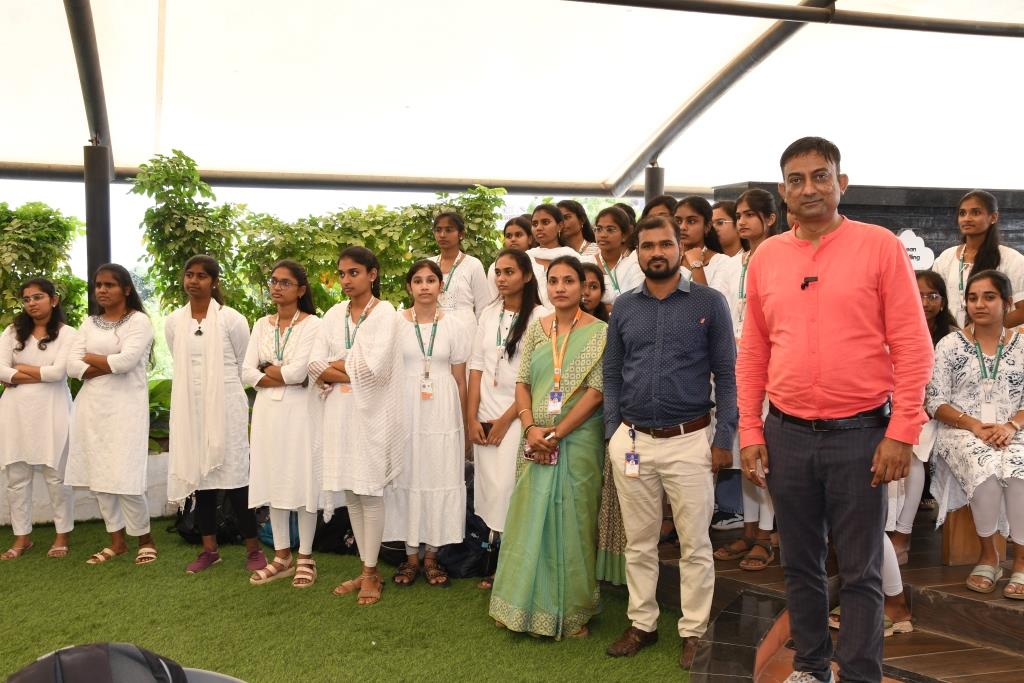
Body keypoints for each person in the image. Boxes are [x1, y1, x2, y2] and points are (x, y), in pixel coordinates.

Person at [737, 137, 933, 683]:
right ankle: (810, 668)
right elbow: (753, 352)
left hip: (862, 436)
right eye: (796, 180)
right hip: (786, 434)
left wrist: (902, 431)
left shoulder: (879, 247)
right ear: (783, 192)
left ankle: (860, 674)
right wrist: (750, 429)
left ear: (841, 183)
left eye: (820, 176)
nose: (809, 188)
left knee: (862, 570)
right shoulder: (767, 257)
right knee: (799, 564)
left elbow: (913, 346)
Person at [603, 215, 736, 669]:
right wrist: (612, 432)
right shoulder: (624, 306)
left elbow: (727, 375)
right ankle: (642, 623)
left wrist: (724, 438)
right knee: (639, 542)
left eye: (664, 244)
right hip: (633, 441)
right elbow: (612, 373)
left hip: (689, 440)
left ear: (680, 248)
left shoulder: (709, 302)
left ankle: (694, 631)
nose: (656, 253)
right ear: (637, 252)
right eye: (647, 246)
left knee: (695, 544)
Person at [489, 255, 607, 639]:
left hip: (578, 440)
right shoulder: (538, 329)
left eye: (569, 281)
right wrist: (529, 428)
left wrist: (557, 433)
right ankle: (518, 605)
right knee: (528, 519)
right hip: (534, 438)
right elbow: (522, 382)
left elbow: (596, 393)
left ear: (583, 288)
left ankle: (572, 613)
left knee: (573, 522)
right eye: (554, 280)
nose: (560, 288)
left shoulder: (601, 333)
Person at [309, 246, 404, 606]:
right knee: (351, 492)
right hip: (338, 412)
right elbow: (313, 364)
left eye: (354, 273)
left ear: (372, 274)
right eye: (342, 273)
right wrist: (345, 365)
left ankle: (370, 572)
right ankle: (368, 570)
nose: (346, 280)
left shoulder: (386, 313)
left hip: (372, 414)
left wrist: (337, 365)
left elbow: (375, 369)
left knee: (369, 490)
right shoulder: (334, 314)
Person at [164, 256, 266, 575]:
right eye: (189, 275)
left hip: (226, 406)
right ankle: (209, 551)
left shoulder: (231, 319)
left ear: (214, 282)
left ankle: (253, 549)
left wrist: (216, 395)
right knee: (202, 482)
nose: (193, 281)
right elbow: (179, 360)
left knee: (235, 479)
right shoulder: (174, 321)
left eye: (201, 276)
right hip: (190, 410)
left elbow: (242, 363)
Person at [927, 270, 1024, 600]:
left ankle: (1021, 562)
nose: (979, 304)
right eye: (972, 298)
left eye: (989, 297)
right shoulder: (950, 344)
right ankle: (989, 556)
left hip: (1015, 430)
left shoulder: (1022, 344)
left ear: (1007, 303)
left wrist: (1010, 426)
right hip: (961, 430)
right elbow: (934, 400)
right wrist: (972, 425)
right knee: (986, 469)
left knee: (1018, 470)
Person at [384, 260, 470, 588]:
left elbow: (460, 379)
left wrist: (465, 425)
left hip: (443, 413)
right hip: (405, 410)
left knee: (439, 474)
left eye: (430, 280)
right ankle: (410, 558)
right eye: (418, 280)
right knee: (407, 475)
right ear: (409, 287)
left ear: (440, 286)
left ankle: (432, 556)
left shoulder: (455, 325)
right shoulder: (394, 324)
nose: (424, 286)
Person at [66, 264, 157, 566]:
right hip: (91, 408)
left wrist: (90, 359)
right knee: (99, 477)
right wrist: (106, 362)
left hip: (126, 408)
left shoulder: (139, 321)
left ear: (126, 289)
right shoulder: (89, 323)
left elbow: (126, 362)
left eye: (109, 285)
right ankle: (116, 542)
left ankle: (145, 539)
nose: (102, 290)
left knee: (126, 476)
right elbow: (71, 366)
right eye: (98, 285)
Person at [467, 249, 545, 589]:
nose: (501, 278)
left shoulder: (542, 316)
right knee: (489, 491)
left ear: (526, 276)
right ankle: (498, 563)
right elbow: (476, 367)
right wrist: (471, 416)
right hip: (484, 411)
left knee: (509, 489)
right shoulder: (488, 313)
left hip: (518, 415)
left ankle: (514, 568)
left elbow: (538, 376)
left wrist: (507, 419)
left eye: (509, 272)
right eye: (498, 272)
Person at [243, 260, 322, 588]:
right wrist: (280, 373)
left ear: (301, 290)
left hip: (300, 413)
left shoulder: (313, 324)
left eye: (285, 282)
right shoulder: (261, 324)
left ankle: (305, 557)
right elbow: (246, 372)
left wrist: (267, 369)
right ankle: (281, 557)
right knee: (273, 480)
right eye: (274, 281)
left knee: (302, 482)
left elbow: (301, 372)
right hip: (267, 413)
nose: (277, 287)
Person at [713, 188, 780, 570]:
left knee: (764, 451)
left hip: (769, 364)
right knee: (745, 447)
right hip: (736, 364)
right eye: (738, 215)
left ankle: (768, 535)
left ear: (770, 219)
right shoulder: (732, 263)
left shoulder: (779, 255)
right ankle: (750, 531)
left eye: (749, 215)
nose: (741, 221)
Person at [0, 278, 77, 560]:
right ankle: (22, 538)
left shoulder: (68, 334)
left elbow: (59, 373)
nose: (31, 303)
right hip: (15, 412)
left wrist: (19, 370)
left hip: (53, 410)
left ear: (53, 300)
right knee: (16, 476)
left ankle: (62, 535)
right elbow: (0, 369)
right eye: (26, 299)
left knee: (57, 477)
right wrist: (38, 373)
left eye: (38, 297)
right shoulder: (12, 332)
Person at [888, 271, 959, 563]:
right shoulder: (892, 326)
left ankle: (903, 535)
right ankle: (879, 532)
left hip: (935, 412)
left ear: (943, 301)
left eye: (933, 295)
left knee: (914, 451)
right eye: (919, 295)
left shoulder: (952, 337)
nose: (926, 302)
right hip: (895, 406)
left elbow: (951, 389)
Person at [931, 190, 1024, 327]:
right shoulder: (946, 258)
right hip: (952, 337)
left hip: (996, 339)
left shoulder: (1012, 259)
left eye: (975, 212)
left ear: (993, 217)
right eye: (962, 213)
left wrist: (981, 330)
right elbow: (934, 300)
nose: (967, 218)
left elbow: (1022, 311)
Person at [430, 211, 491, 326]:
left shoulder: (473, 264)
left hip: (466, 329)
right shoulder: (428, 264)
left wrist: (481, 333)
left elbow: (483, 306)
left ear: (461, 234)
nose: (442, 235)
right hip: (434, 328)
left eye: (448, 230)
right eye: (438, 230)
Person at [582, 206, 644, 310]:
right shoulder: (584, 263)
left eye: (610, 230)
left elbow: (636, 305)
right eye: (599, 229)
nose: (603, 235)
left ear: (624, 235)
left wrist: (601, 307)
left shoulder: (632, 267)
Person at [486, 216, 549, 307]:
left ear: (530, 239)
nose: (513, 239)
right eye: (508, 236)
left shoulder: (539, 266)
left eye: (518, 235)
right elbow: (493, 298)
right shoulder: (495, 267)